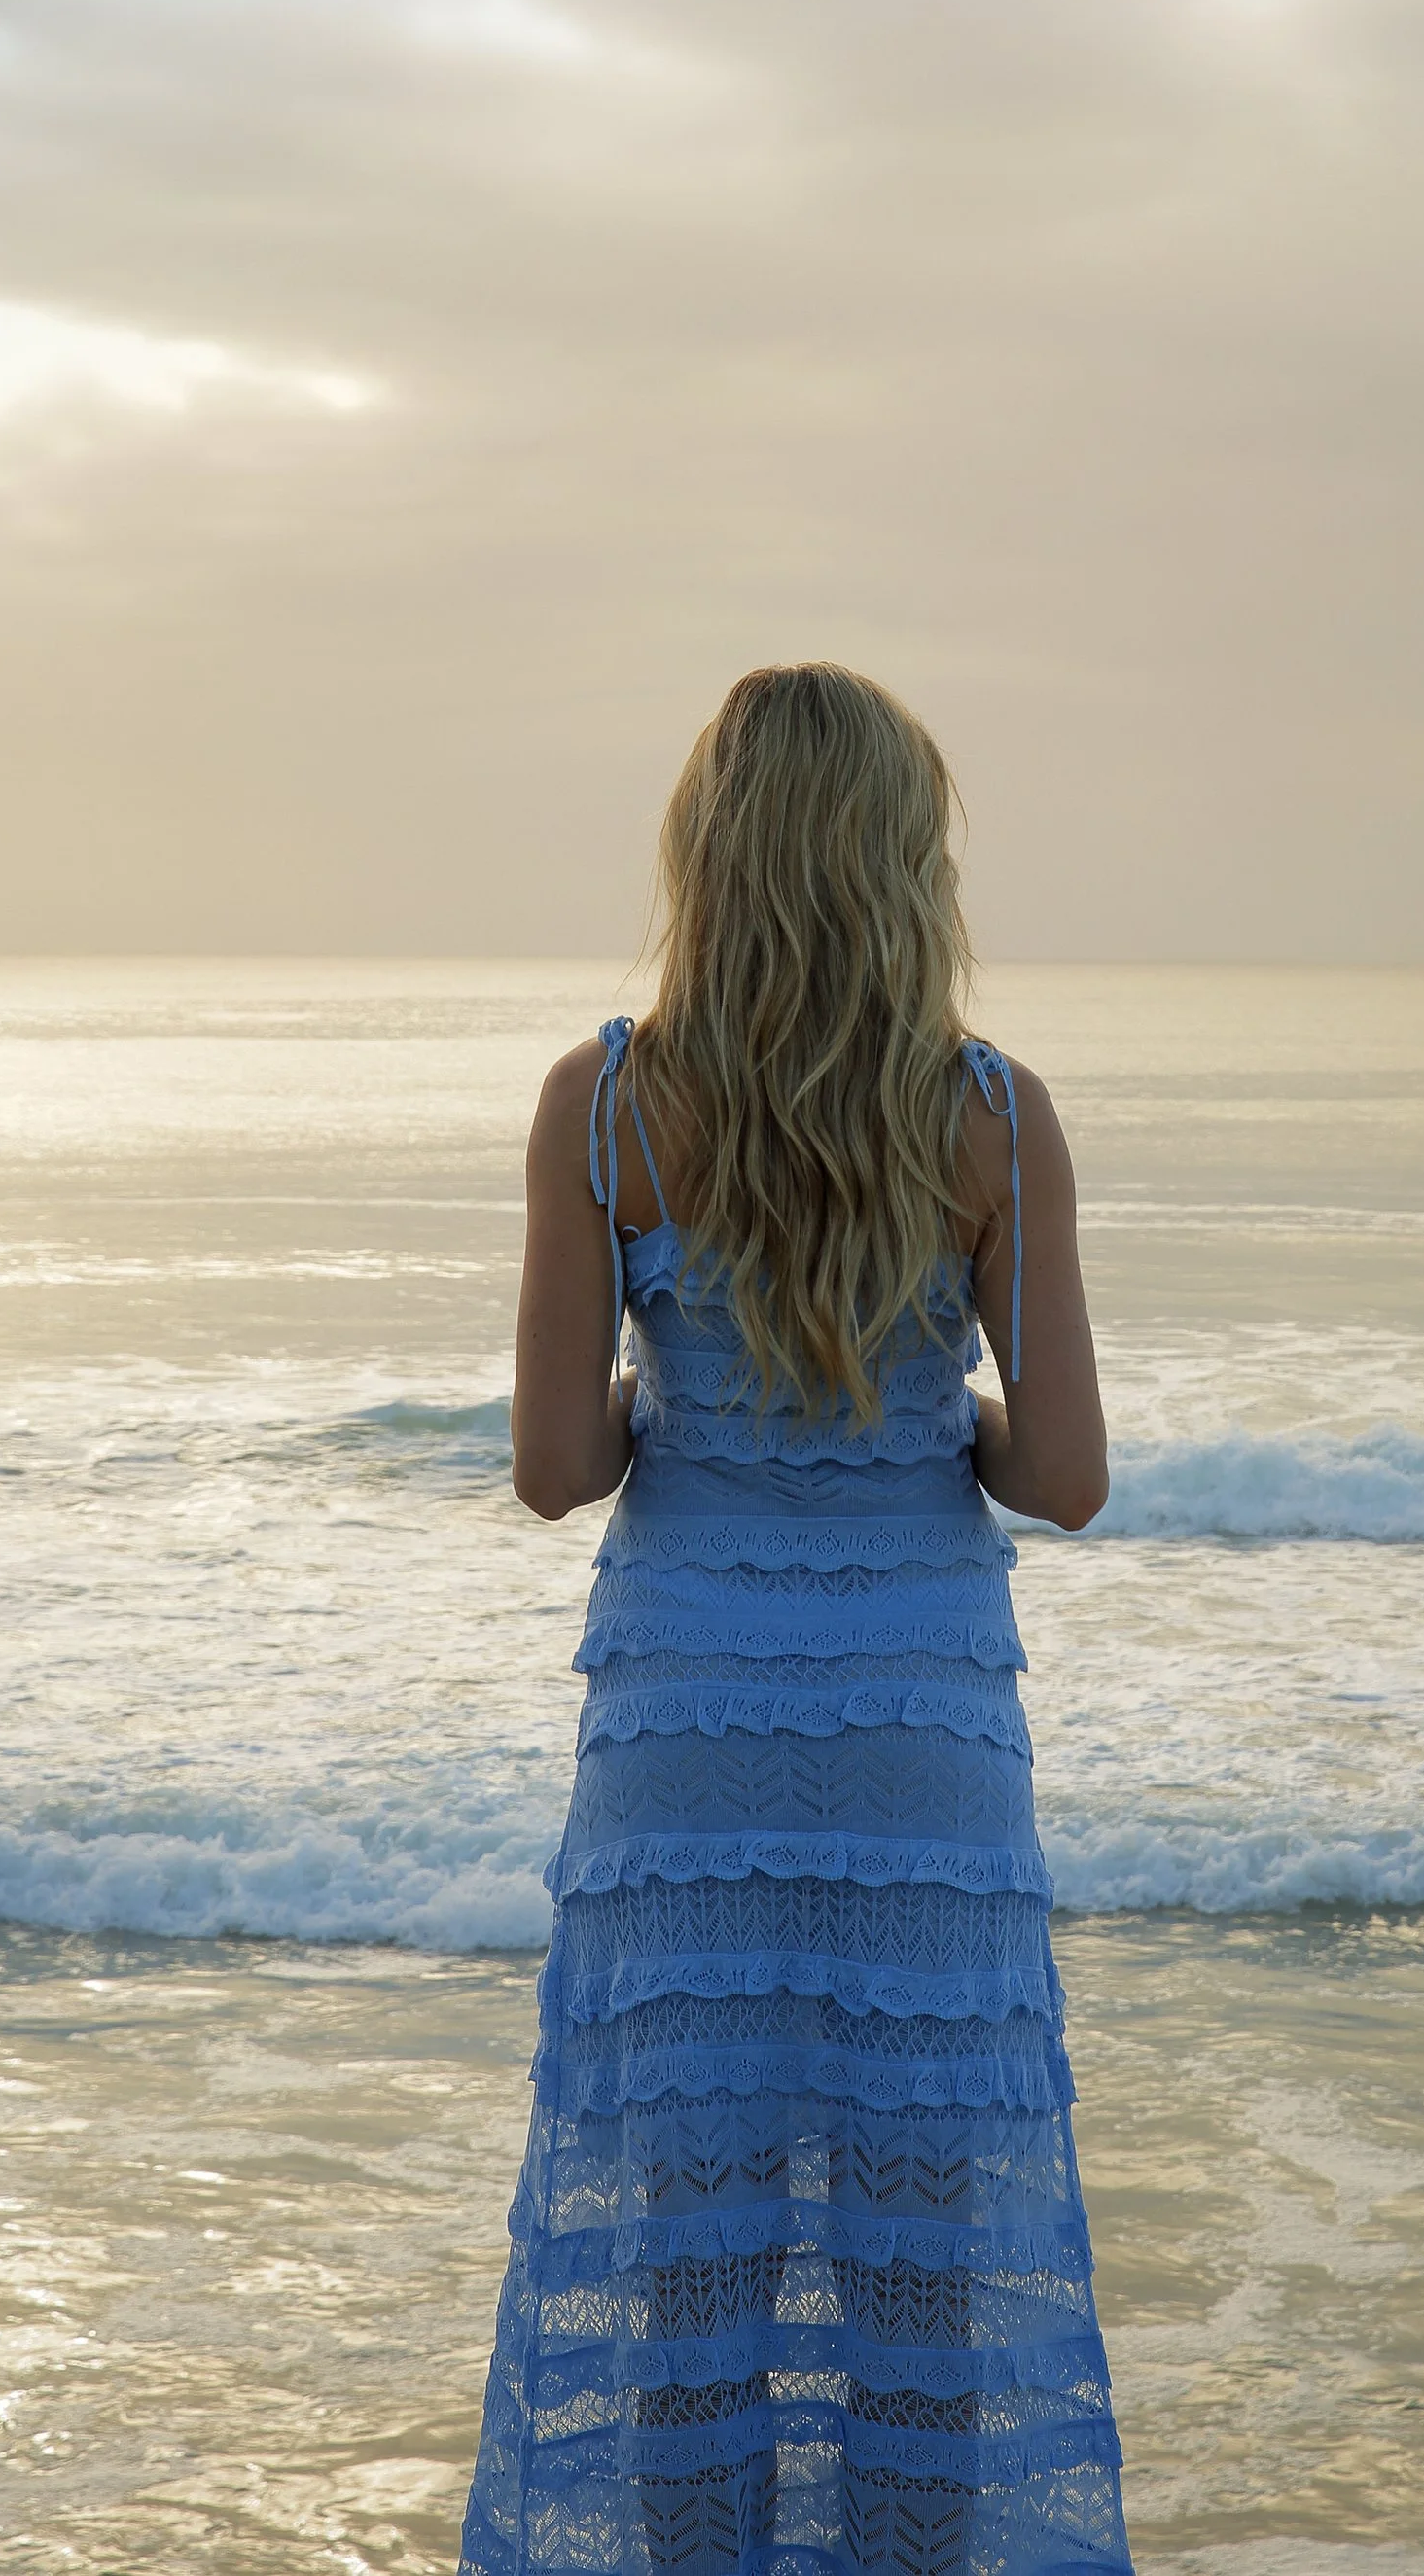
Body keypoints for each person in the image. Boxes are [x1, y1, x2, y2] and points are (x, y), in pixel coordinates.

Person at [461, 662, 1132, 2576]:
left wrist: (678, 1402)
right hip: (919, 1742)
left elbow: (549, 1465)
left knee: (694, 2295)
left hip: (685, 1743)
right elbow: (1065, 1474)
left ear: (709, 856)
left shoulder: (604, 1104)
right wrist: (944, 1416)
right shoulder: (990, 1119)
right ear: (901, 870)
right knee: (917, 2300)